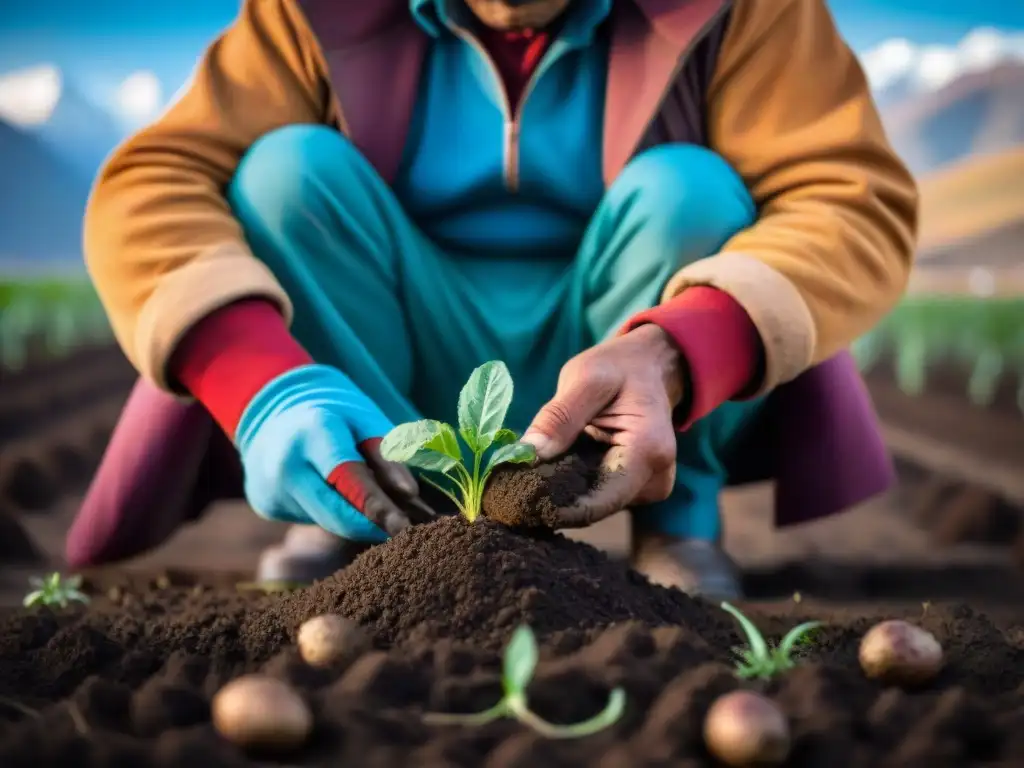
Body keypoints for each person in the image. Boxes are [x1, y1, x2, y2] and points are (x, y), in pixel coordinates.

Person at [69, 0, 917, 599]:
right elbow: (156, 185)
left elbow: (846, 199)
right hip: (394, 357)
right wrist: (257, 379)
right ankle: (358, 497)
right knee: (289, 175)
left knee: (687, 191)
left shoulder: (747, 10)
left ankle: (674, 514)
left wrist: (677, 348)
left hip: (627, 356)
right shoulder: (306, 13)